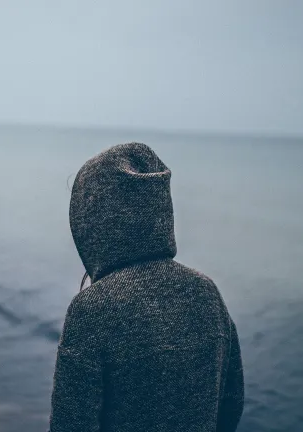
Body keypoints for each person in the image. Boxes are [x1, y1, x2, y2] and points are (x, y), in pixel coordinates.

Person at [49, 142, 244, 432]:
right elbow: (231, 403)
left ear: (91, 221)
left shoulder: (92, 310)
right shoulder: (207, 293)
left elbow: (71, 425)